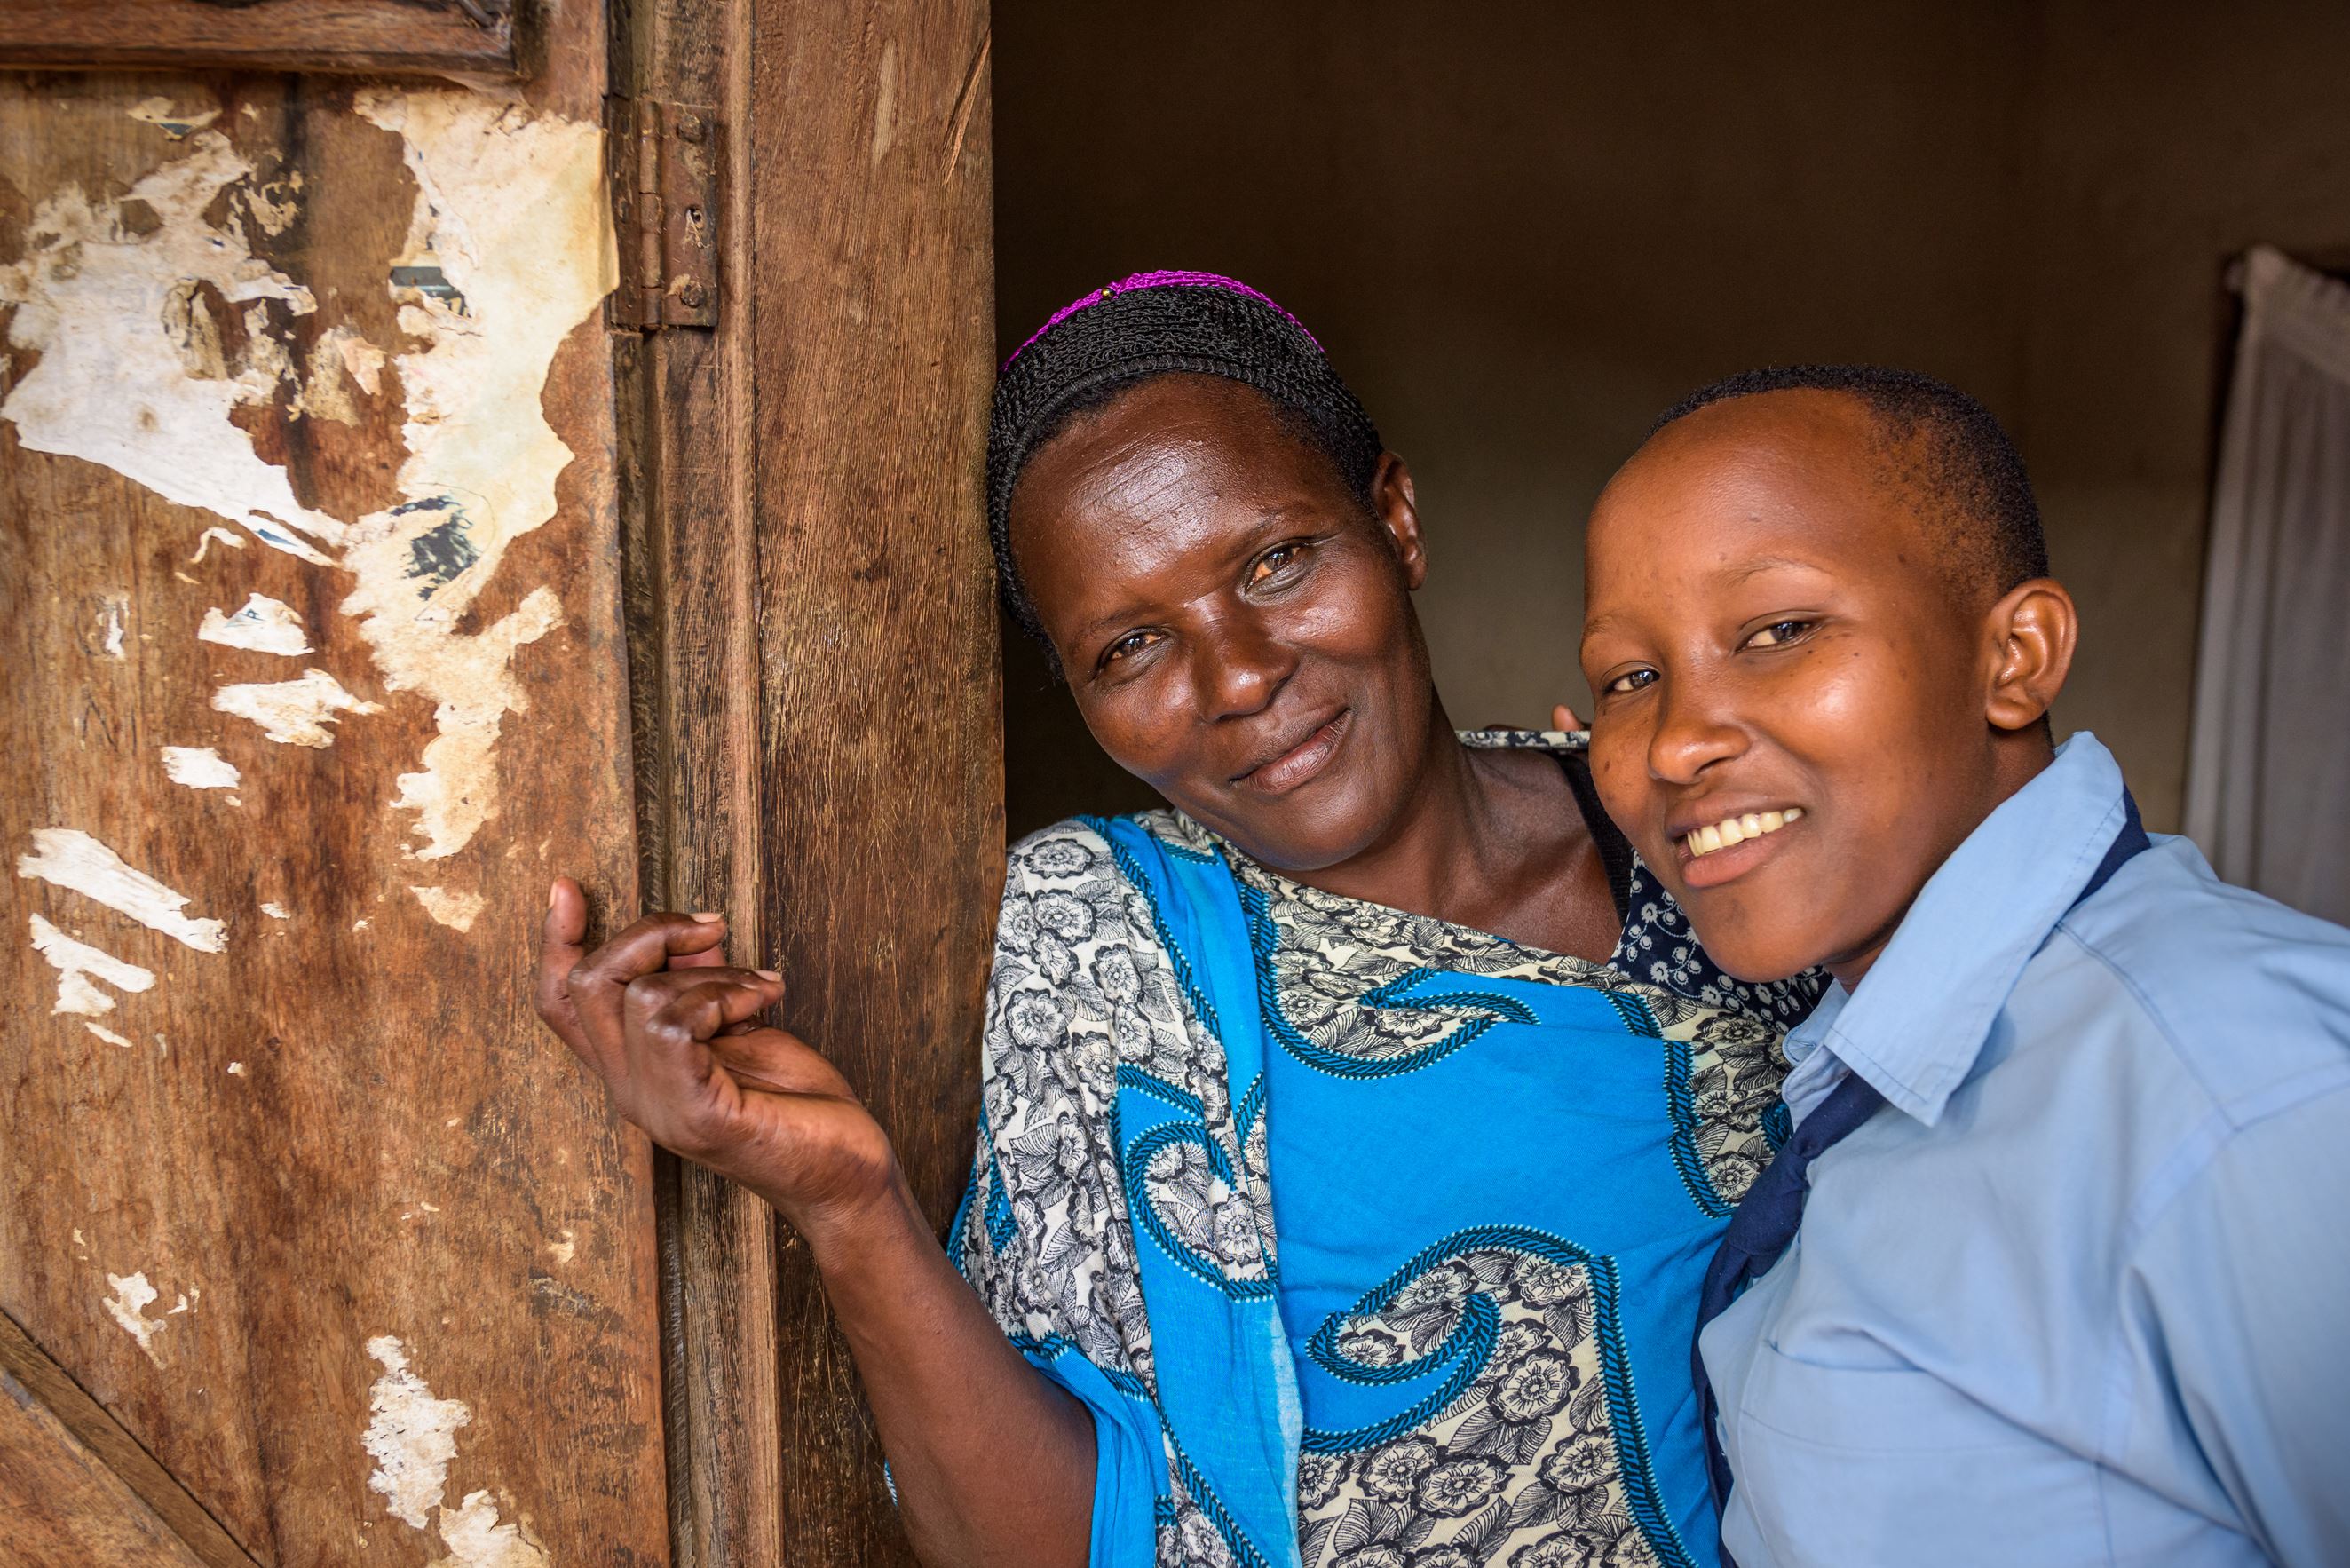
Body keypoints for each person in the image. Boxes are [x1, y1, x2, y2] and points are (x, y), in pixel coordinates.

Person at [534, 272, 1817, 1568]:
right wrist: (849, 1202)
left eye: (1275, 561)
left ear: (1396, 523)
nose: (1242, 675)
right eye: (1131, 648)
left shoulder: (1696, 832)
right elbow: (1034, 1547)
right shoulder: (1102, 946)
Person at [1576, 364, 2350, 1567]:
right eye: (1631, 677)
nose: (1675, 742)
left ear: (2016, 656)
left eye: (1779, 630)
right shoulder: (1877, 1045)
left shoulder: (2240, 1084)